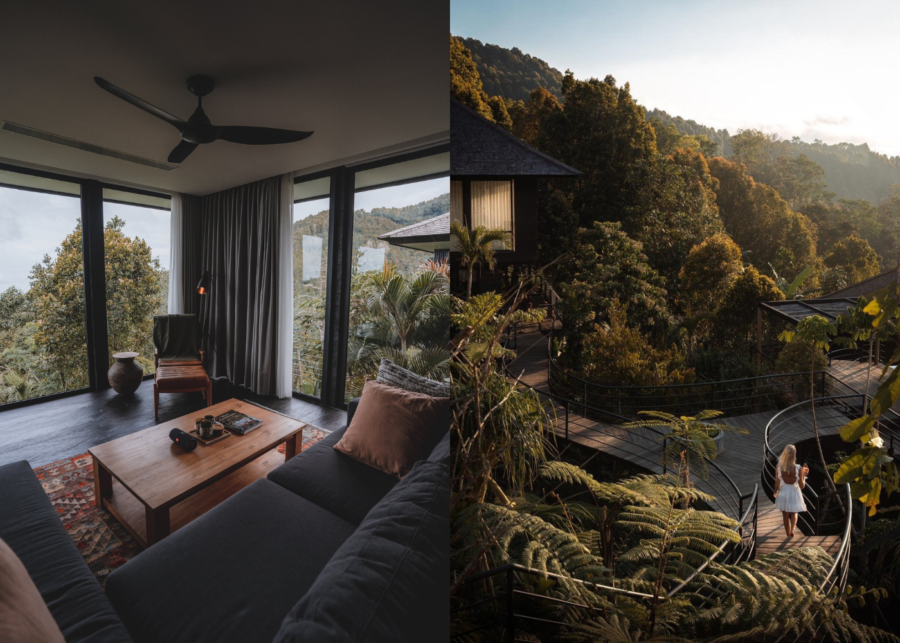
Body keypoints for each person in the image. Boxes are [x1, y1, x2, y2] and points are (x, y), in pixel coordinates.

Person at [773, 444, 808, 537]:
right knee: (794, 512)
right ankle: (793, 530)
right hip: (794, 491)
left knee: (785, 515)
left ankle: (788, 534)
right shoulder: (798, 468)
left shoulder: (779, 466)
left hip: (783, 491)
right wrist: (804, 476)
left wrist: (775, 491)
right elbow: (801, 486)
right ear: (794, 455)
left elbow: (777, 483)